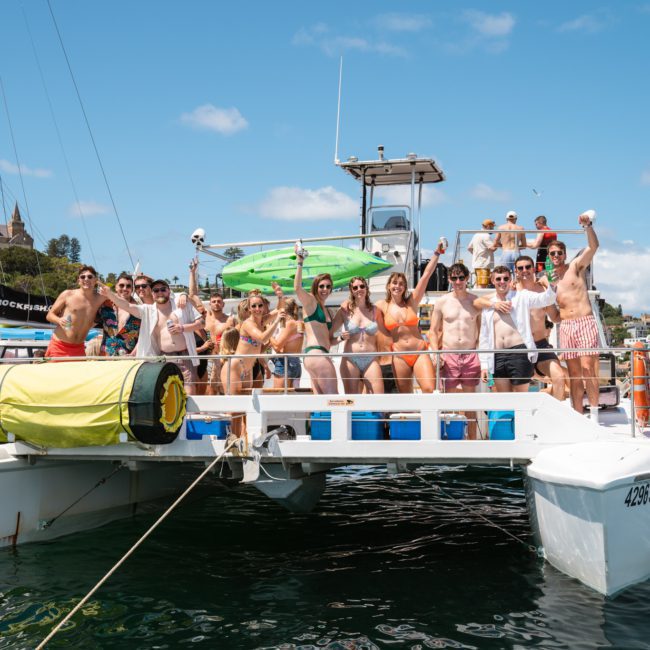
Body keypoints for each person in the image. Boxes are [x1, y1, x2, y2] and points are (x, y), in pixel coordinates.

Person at [102, 279, 205, 394]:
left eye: (163, 289)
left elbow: (202, 323)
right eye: (156, 290)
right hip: (162, 357)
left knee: (189, 388)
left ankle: (189, 413)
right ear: (152, 293)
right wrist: (110, 295)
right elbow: (128, 306)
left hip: (184, 355)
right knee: (165, 391)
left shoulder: (182, 305)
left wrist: (182, 328)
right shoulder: (148, 310)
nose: (160, 292)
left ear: (168, 291)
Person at [546, 214, 600, 416]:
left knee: (589, 370)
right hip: (566, 326)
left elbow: (593, 247)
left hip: (584, 321)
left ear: (565, 254)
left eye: (559, 253)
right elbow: (552, 314)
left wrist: (588, 226)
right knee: (575, 376)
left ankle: (594, 417)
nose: (556, 256)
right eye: (553, 254)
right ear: (549, 256)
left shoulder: (575, 267)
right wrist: (550, 292)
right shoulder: (547, 280)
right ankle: (578, 418)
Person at [376, 241, 445, 393]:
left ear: (404, 288)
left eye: (401, 284)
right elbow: (364, 310)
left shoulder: (411, 303)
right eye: (394, 283)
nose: (397, 286)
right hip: (399, 355)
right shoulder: (382, 305)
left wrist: (437, 253)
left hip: (419, 350)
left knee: (429, 390)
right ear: (388, 285)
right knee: (405, 396)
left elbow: (426, 276)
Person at [476, 265, 557, 393]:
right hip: (497, 355)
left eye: (505, 278)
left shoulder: (522, 296)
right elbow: (484, 336)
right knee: (505, 399)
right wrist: (484, 365)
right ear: (492, 281)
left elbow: (546, 299)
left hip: (519, 352)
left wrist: (552, 284)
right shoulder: (489, 305)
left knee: (521, 398)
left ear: (510, 280)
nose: (502, 282)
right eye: (498, 279)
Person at [428, 262, 482, 438]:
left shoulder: (475, 301)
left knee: (470, 403)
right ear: (450, 280)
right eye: (454, 278)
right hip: (448, 354)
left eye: (461, 278)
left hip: (470, 354)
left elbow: (481, 332)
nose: (458, 281)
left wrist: (482, 356)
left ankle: (472, 442)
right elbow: (433, 331)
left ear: (467, 279)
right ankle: (450, 439)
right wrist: (436, 353)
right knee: (449, 402)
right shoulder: (442, 302)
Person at [225, 294, 284, 440]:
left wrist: (280, 295)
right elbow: (263, 338)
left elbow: (280, 309)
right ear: (249, 309)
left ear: (263, 307)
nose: (257, 308)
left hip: (248, 368)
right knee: (234, 409)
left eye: (260, 305)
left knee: (245, 409)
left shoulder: (262, 320)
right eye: (254, 306)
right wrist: (276, 321)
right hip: (235, 367)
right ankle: (231, 441)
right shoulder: (248, 324)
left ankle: (242, 441)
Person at [513, 255, 565, 400]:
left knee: (559, 377)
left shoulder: (543, 290)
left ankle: (556, 418)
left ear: (534, 268)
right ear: (516, 271)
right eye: (520, 268)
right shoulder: (511, 291)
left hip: (541, 345)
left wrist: (574, 312)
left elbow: (555, 317)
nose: (525, 270)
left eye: (528, 267)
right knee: (517, 392)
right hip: (519, 346)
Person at [294, 245, 338, 394]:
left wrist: (339, 340)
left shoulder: (327, 310)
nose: (325, 289)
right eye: (321, 286)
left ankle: (318, 418)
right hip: (317, 354)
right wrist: (300, 263)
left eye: (328, 286)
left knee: (320, 401)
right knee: (334, 400)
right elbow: (298, 289)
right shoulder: (311, 302)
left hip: (317, 355)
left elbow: (328, 340)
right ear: (315, 287)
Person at [330, 276, 386, 394]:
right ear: (351, 290)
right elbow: (329, 338)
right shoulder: (344, 311)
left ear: (366, 288)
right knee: (352, 400)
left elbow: (386, 333)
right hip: (350, 359)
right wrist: (340, 338)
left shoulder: (376, 310)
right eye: (355, 287)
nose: (359, 289)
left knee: (379, 397)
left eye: (362, 286)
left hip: (371, 359)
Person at [45, 265, 107, 359]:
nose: (86, 279)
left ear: (95, 280)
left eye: (90, 277)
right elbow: (49, 315)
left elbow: (119, 299)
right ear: (79, 281)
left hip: (79, 348)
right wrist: (59, 320)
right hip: (59, 346)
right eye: (82, 277)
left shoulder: (100, 299)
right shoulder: (68, 294)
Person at [96, 272, 142, 356]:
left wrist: (133, 354)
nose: (125, 288)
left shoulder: (139, 310)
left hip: (128, 359)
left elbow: (143, 337)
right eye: (121, 285)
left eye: (128, 286)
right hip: (105, 357)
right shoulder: (105, 305)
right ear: (116, 287)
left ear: (132, 289)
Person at [269, 297, 304, 389]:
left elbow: (277, 347)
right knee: (291, 399)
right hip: (296, 363)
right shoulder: (299, 323)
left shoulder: (290, 324)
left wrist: (269, 332)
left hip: (285, 363)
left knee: (278, 398)